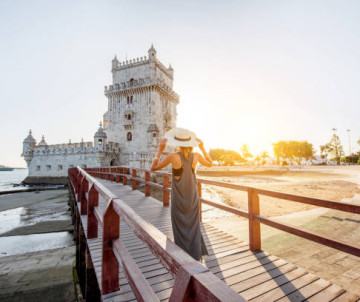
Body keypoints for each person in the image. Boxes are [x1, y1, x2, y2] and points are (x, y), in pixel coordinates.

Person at [151, 127, 212, 261]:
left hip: (179, 198)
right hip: (192, 197)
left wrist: (160, 150)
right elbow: (210, 164)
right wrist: (202, 148)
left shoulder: (173, 156)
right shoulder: (196, 156)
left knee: (179, 226)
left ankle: (182, 257)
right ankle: (195, 256)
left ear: (178, 143)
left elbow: (153, 168)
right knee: (194, 226)